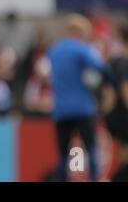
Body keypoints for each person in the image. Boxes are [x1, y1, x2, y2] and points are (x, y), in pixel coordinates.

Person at [48, 13, 113, 182]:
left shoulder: (54, 50)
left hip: (61, 110)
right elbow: (101, 69)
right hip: (83, 108)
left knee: (63, 154)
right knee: (91, 149)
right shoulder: (81, 49)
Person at [103, 24, 128, 181]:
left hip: (114, 114)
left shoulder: (113, 61)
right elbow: (126, 91)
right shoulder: (123, 62)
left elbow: (107, 91)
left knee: (121, 155)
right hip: (123, 115)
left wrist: (108, 111)